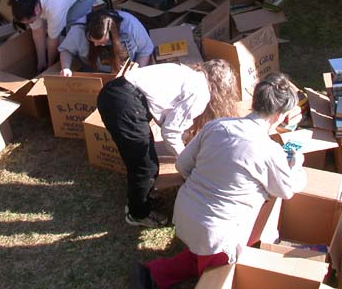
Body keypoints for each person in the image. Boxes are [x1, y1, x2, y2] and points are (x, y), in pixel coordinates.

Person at [130, 72, 308, 289]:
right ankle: (155, 274)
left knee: (205, 256)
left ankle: (153, 273)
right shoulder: (270, 151)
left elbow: (182, 165)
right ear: (279, 115)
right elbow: (287, 190)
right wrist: (297, 166)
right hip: (217, 234)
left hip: (185, 214)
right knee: (219, 267)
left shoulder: (217, 126)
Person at [97, 60, 240, 228]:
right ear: (220, 88)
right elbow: (170, 132)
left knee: (140, 157)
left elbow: (168, 117)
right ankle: (137, 213)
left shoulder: (189, 74)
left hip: (115, 92)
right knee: (146, 166)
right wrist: (189, 162)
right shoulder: (201, 93)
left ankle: (143, 196)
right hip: (125, 103)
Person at [58, 9, 153, 76]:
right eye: (92, 41)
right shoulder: (78, 29)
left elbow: (145, 50)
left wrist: (136, 73)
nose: (96, 45)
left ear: (113, 35)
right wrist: (66, 68)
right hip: (92, 73)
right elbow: (66, 50)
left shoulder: (131, 26)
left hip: (125, 74)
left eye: (102, 42)